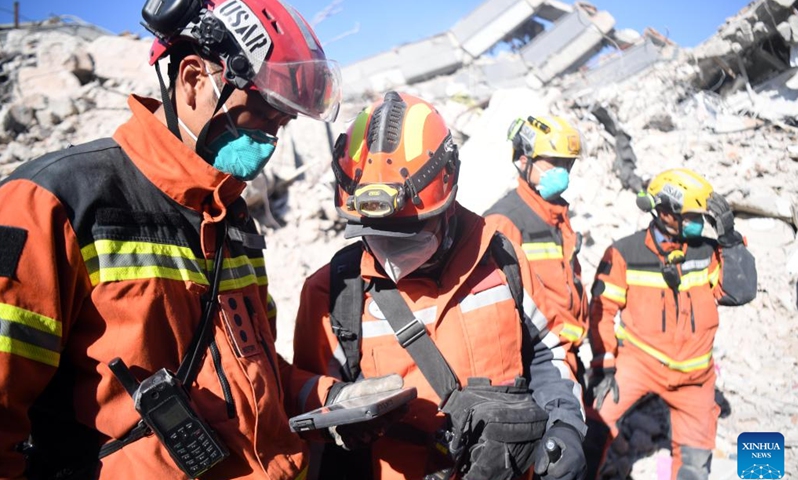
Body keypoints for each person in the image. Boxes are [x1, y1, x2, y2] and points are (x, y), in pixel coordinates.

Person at [0, 0, 341, 478]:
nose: (270, 141)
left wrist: (331, 397)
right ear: (194, 79)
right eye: (260, 117)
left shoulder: (235, 221)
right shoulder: (55, 202)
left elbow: (257, 374)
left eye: (282, 125)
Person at [287, 91, 587, 480]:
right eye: (376, 234)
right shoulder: (333, 292)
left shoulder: (498, 255)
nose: (392, 251)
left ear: (449, 193)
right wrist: (336, 402)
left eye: (409, 231)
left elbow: (549, 352)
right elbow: (304, 405)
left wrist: (565, 424)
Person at [586, 168, 757, 480]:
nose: (697, 222)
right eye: (690, 215)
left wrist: (730, 241)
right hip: (638, 363)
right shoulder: (626, 252)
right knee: (591, 426)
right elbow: (602, 311)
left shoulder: (707, 251)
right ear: (664, 211)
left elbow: (740, 292)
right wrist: (604, 365)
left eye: (699, 216)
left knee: (693, 465)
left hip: (695, 376)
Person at [484, 115, 588, 382]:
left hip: (568, 353)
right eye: (554, 163)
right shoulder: (505, 220)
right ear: (523, 160)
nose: (563, 171)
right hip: (539, 363)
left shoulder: (557, 215)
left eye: (568, 163)